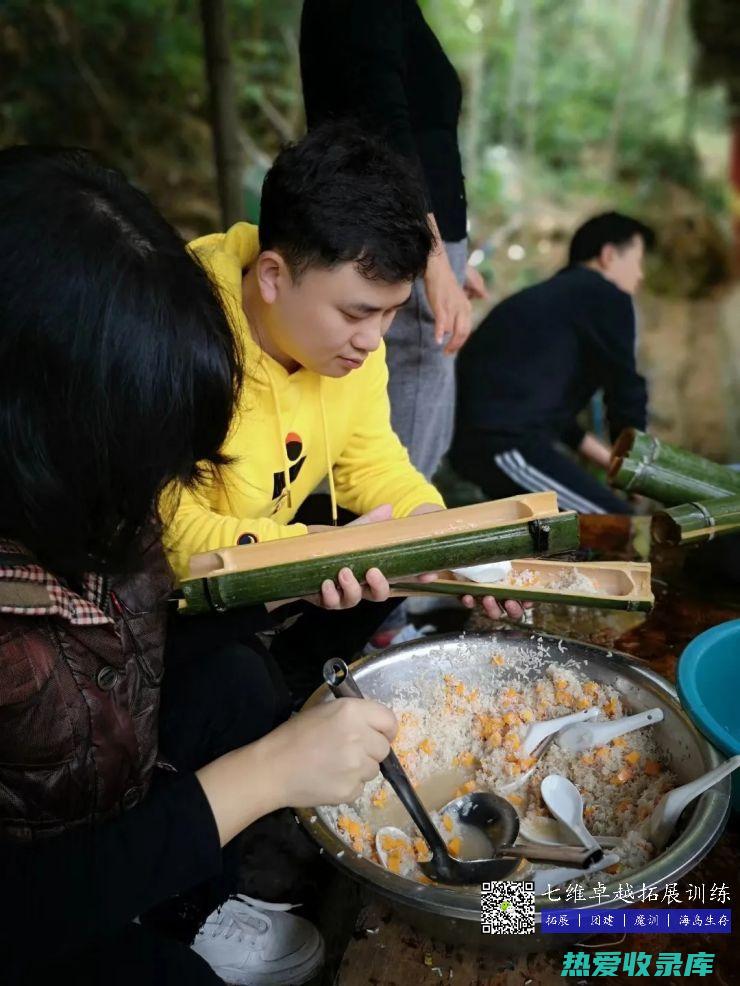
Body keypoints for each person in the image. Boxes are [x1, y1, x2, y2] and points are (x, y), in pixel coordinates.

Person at [0, 145, 402, 986]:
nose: (162, 495)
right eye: (151, 461)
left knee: (236, 680)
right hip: (37, 891)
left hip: (98, 761)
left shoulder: (98, 480)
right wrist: (259, 777)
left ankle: (182, 907)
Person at [164, 126, 523, 688]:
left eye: (392, 313)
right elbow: (166, 531)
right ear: (273, 276)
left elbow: (373, 463)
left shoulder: (351, 352)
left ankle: (295, 687)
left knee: (398, 553)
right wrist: (310, 556)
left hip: (265, 555)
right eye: (356, 314)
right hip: (159, 599)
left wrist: (447, 538)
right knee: (238, 687)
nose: (374, 339)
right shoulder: (177, 339)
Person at [300, 0, 489, 482]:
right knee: (397, 455)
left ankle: (395, 540)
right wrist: (434, 258)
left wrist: (452, 257)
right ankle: (393, 548)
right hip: (399, 246)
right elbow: (384, 129)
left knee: (415, 422)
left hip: (420, 240)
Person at [450, 212, 655, 515]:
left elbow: (553, 419)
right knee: (619, 526)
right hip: (503, 444)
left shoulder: (558, 301)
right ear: (609, 256)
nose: (641, 276)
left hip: (488, 441)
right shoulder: (605, 295)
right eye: (637, 262)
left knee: (601, 526)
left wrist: (610, 462)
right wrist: (639, 476)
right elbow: (625, 391)